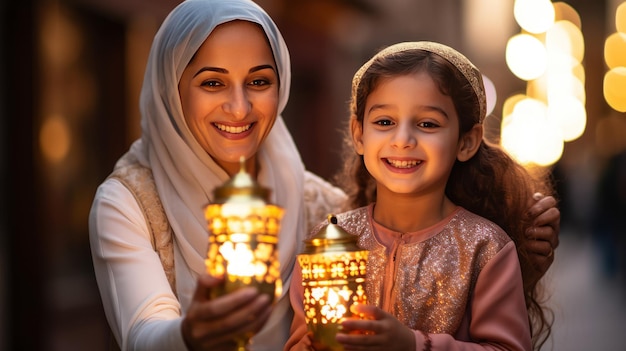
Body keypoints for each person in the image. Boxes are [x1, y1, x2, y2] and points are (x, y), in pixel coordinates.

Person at [88, 0, 559, 349]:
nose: (239, 106)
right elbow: (143, 331)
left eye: (259, 81)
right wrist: (191, 334)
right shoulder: (129, 203)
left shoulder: (322, 211)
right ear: (172, 90)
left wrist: (520, 241)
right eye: (212, 82)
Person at [285, 41, 555, 351]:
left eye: (427, 124)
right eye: (384, 122)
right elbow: (298, 340)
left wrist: (412, 345)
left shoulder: (486, 248)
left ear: (467, 141)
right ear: (359, 134)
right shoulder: (330, 241)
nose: (402, 140)